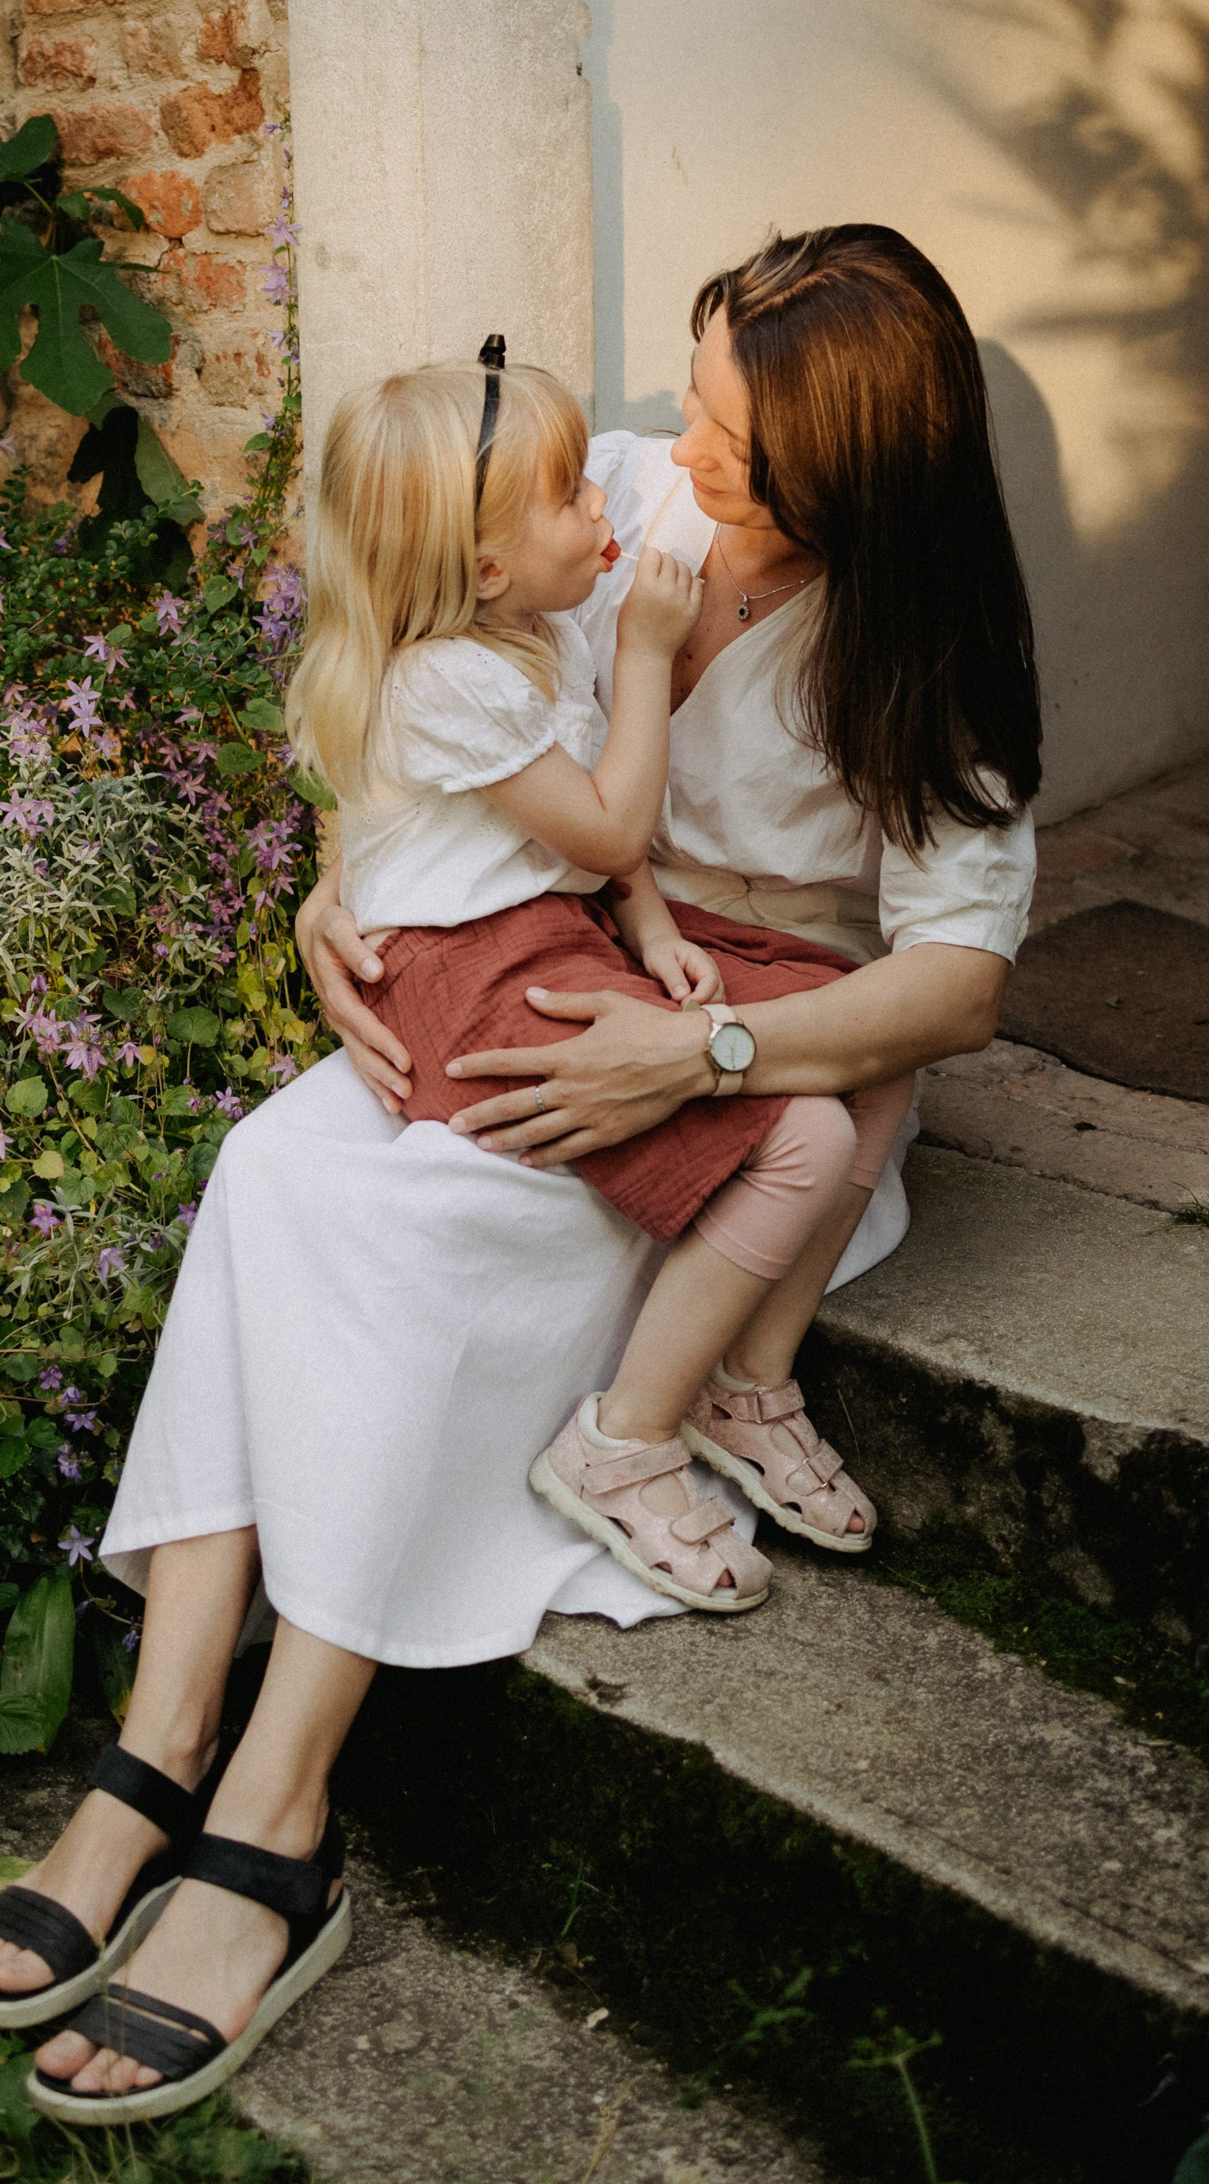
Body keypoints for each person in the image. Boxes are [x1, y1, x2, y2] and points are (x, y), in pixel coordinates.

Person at [0, 224, 1041, 2125]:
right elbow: (410, 683)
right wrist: (332, 892)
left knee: (423, 1225)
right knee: (271, 1164)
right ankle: (161, 1739)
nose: (670, 452)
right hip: (520, 964)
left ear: (846, 476)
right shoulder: (597, 495)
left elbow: (954, 982)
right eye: (690, 396)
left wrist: (691, 1046)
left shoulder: (926, 652)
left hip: (752, 1038)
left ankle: (277, 1821)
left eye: (724, 435)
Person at [283, 347, 909, 1613]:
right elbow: (608, 824)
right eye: (574, 498)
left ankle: (739, 1388)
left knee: (859, 1058)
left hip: (544, 931)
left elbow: (580, 842)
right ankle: (623, 1442)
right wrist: (642, 660)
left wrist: (650, 920)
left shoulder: (508, 626)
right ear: (489, 565)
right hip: (474, 978)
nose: (604, 510)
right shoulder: (453, 674)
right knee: (800, 1136)